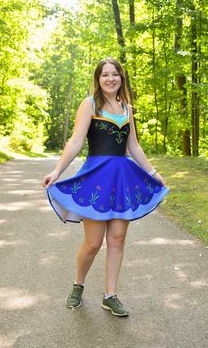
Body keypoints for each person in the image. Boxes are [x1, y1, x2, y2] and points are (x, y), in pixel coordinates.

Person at [42, 57, 169, 317]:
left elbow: (133, 146)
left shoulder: (127, 108)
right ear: (98, 79)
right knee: (92, 243)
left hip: (122, 179)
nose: (110, 79)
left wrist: (154, 173)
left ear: (121, 78)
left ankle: (110, 295)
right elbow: (76, 142)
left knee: (117, 239)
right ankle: (78, 285)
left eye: (115, 74)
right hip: (96, 179)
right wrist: (57, 171)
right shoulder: (89, 104)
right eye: (105, 75)